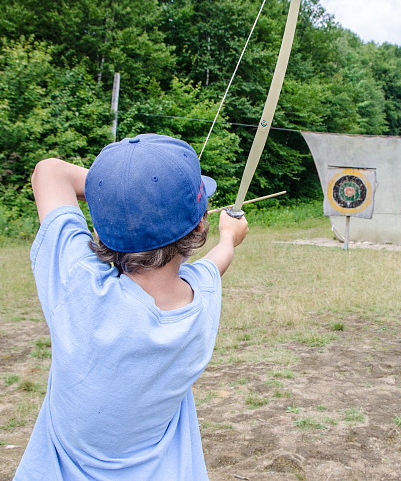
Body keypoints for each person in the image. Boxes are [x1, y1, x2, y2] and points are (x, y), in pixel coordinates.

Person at [14, 134, 249, 480]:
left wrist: (115, 193)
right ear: (201, 225)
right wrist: (229, 236)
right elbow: (217, 261)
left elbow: (49, 172)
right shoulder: (199, 302)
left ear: (99, 227)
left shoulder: (78, 284)